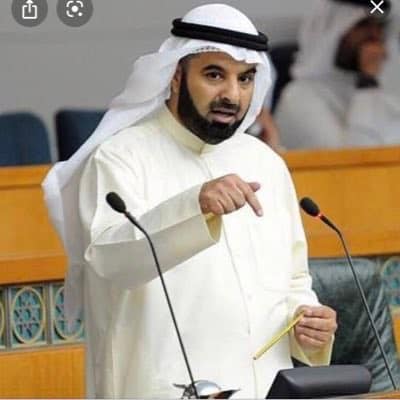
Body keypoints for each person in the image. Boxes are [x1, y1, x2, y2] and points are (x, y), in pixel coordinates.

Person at [42, 4, 337, 398]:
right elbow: (108, 262)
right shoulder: (120, 157)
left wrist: (308, 325)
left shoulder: (266, 163)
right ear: (176, 75)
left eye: (245, 78)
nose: (232, 94)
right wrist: (194, 206)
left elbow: (293, 280)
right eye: (214, 75)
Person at [275, 0, 400, 149]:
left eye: (379, 26)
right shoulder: (298, 98)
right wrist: (367, 82)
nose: (375, 35)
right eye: (363, 25)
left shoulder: (384, 94)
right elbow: (357, 157)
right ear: (330, 31)